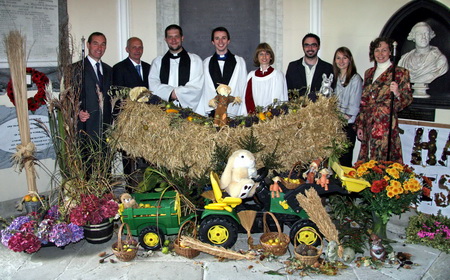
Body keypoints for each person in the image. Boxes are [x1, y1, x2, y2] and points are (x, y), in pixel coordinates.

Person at [356, 38, 413, 163]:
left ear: (390, 52)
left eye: (384, 50)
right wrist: (360, 125)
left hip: (385, 123)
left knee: (383, 162)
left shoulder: (400, 73)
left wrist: (397, 93)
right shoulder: (369, 73)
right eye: (377, 50)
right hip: (368, 122)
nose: (380, 54)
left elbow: (408, 99)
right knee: (367, 162)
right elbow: (364, 101)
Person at [69, 32, 113, 177]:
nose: (99, 47)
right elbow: (68, 97)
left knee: (105, 167)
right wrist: (77, 111)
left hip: (105, 128)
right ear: (88, 45)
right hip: (86, 127)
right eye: (95, 43)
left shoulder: (108, 69)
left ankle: (106, 197)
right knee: (88, 168)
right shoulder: (76, 68)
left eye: (103, 44)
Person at [112, 37, 151, 188]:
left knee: (147, 156)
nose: (137, 50)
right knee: (128, 158)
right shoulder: (119, 68)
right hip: (128, 120)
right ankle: (131, 187)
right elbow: (116, 95)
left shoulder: (149, 67)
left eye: (140, 47)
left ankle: (148, 187)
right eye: (134, 47)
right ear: (127, 49)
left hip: (148, 120)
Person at [148, 24, 203, 110]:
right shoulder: (158, 62)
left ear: (182, 38)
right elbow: (153, 86)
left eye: (176, 36)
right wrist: (170, 93)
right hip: (163, 113)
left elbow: (197, 86)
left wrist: (175, 93)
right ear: (165, 39)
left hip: (188, 113)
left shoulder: (195, 60)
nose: (173, 40)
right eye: (170, 37)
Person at [196, 27, 247, 117]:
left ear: (228, 41)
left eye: (224, 38)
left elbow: (243, 86)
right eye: (217, 38)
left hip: (233, 111)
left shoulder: (239, 62)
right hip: (212, 112)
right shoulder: (206, 63)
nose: (220, 42)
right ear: (212, 42)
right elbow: (205, 89)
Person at [332, 47, 362, 167]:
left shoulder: (355, 79)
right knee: (333, 160)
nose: (341, 61)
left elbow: (353, 107)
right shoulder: (335, 78)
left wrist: (339, 118)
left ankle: (344, 186)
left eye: (344, 58)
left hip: (347, 125)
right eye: (338, 58)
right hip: (334, 125)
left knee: (344, 161)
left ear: (350, 60)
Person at [285, 33, 333, 101]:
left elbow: (330, 94)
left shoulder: (328, 68)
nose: (310, 48)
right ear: (303, 47)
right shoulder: (293, 67)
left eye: (313, 45)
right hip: (297, 110)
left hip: (320, 110)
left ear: (318, 47)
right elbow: (288, 92)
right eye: (307, 45)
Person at [244, 42, 288, 114]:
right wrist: (255, 115)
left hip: (272, 117)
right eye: (261, 54)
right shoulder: (252, 76)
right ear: (257, 57)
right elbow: (248, 98)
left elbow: (279, 98)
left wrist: (270, 114)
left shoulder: (277, 75)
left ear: (271, 57)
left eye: (267, 54)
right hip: (256, 117)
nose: (264, 57)